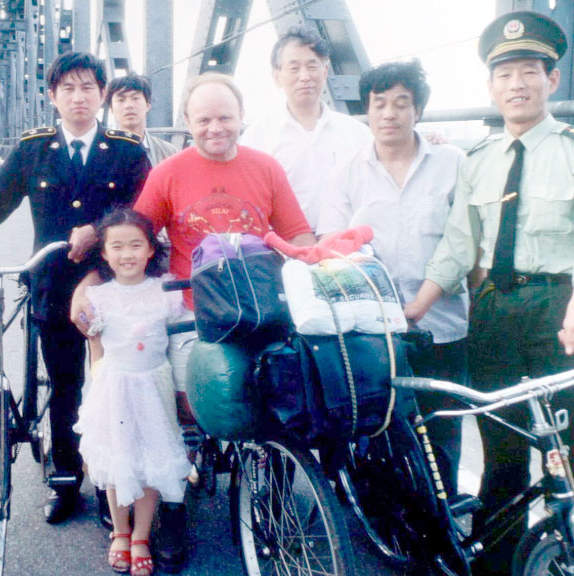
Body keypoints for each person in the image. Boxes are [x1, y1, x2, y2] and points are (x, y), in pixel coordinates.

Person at [73, 71, 316, 572]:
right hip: (192, 310)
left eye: (225, 117)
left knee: (278, 393)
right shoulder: (170, 173)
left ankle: (274, 494)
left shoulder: (266, 167)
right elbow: (131, 237)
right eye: (203, 119)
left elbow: (298, 234)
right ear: (186, 121)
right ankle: (173, 506)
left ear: (242, 117)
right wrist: (89, 284)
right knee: (187, 407)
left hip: (260, 306)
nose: (215, 128)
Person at [404, 12, 574, 576]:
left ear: (552, 80)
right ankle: (498, 568)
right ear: (491, 86)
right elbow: (458, 246)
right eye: (505, 75)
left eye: (529, 72)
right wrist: (415, 309)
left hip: (561, 313)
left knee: (566, 454)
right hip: (495, 314)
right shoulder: (478, 161)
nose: (516, 85)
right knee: (503, 457)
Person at [0, 51, 151, 526]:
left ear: (102, 94)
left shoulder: (127, 152)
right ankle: (66, 479)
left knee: (118, 384)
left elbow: (144, 213)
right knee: (66, 385)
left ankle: (116, 485)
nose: (78, 97)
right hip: (51, 286)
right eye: (68, 89)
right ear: (52, 96)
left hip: (114, 284)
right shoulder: (33, 149)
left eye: (88, 88)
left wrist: (99, 232)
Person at [318, 59, 468, 493]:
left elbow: (465, 242)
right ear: (366, 110)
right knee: (380, 435)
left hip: (442, 326)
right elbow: (332, 245)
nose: (389, 113)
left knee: (443, 435)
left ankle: (442, 523)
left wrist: (419, 305)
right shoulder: (346, 172)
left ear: (418, 111)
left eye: (401, 103)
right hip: (373, 333)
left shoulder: (454, 163)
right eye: (379, 103)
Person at [74, 208, 192, 576]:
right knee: (117, 461)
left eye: (136, 245)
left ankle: (141, 535)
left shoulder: (166, 291)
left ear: (151, 249)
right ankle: (120, 532)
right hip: (115, 388)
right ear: (104, 253)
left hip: (153, 388)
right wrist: (94, 394)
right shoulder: (98, 296)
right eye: (118, 246)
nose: (127, 254)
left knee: (152, 460)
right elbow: (95, 349)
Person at [239, 26, 371, 229]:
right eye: (294, 68)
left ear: (325, 72)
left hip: (344, 240)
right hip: (282, 243)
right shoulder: (257, 136)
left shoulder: (358, 133)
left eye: (312, 66)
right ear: (277, 77)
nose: (304, 76)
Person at [106, 74, 179, 166]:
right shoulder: (102, 152)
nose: (129, 105)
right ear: (111, 109)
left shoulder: (168, 152)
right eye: (121, 100)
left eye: (135, 98)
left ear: (148, 105)